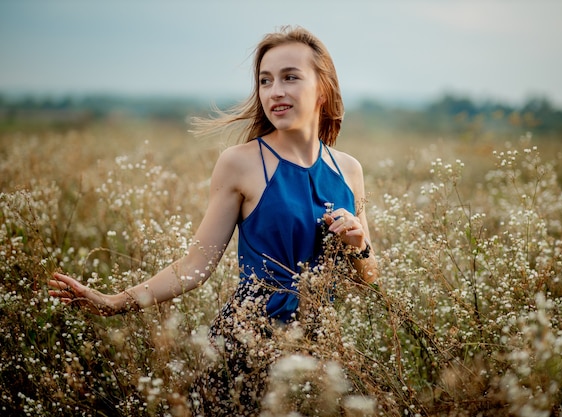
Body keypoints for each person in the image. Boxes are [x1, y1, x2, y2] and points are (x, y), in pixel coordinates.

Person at [48, 25, 378, 415]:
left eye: (290, 77)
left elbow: (368, 277)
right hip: (248, 344)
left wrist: (359, 247)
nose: (275, 92)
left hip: (321, 352)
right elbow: (194, 267)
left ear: (322, 87)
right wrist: (112, 303)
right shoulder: (241, 163)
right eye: (265, 81)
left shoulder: (349, 170)